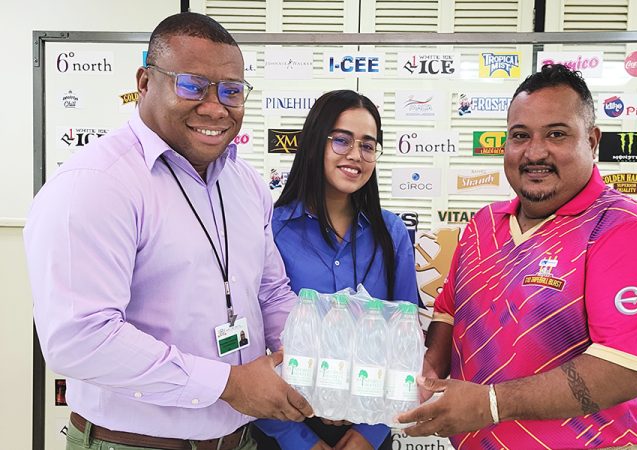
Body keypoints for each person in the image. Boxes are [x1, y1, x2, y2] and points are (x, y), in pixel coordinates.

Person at [24, 12, 313, 450]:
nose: (215, 107)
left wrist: (312, 358)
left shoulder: (247, 184)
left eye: (231, 91)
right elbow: (79, 338)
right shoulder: (95, 184)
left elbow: (269, 293)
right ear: (144, 82)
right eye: (192, 85)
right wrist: (228, 383)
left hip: (238, 440)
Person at [396, 64, 637, 450]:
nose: (535, 152)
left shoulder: (626, 230)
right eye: (520, 136)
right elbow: (448, 312)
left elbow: (628, 369)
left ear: (593, 142)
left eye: (557, 134)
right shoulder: (483, 223)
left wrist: (492, 404)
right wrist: (428, 371)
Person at [252, 90, 420, 450]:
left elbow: (407, 348)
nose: (355, 155)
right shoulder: (271, 229)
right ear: (315, 143)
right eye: (341, 140)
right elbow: (251, 351)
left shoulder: (391, 235)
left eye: (367, 145)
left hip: (368, 426)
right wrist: (297, 441)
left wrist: (369, 435)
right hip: (285, 427)